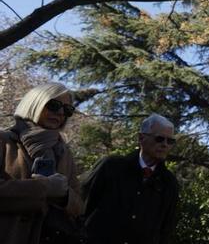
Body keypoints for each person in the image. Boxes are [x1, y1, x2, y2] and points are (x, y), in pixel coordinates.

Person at [1, 82, 85, 244]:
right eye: (53, 105)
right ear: (35, 104)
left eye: (67, 110)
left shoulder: (64, 152)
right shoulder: (4, 141)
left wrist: (65, 195)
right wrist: (45, 188)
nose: (60, 113)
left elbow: (80, 205)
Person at [81, 113, 179, 244]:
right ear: (141, 138)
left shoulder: (169, 183)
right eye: (159, 139)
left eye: (170, 141)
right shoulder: (110, 166)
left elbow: (166, 229)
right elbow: (82, 204)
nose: (165, 145)